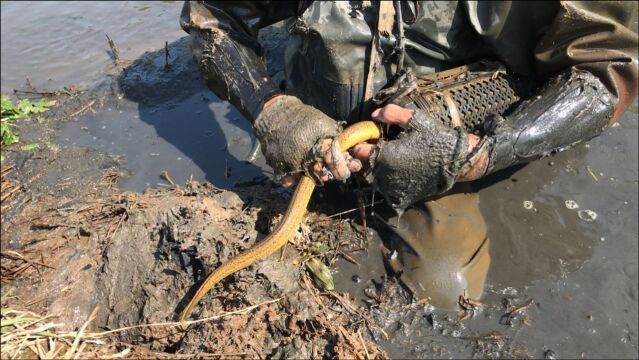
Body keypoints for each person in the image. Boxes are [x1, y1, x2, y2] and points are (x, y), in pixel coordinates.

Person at [179, 1, 638, 308]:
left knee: (444, 285)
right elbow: (209, 15)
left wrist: (476, 154)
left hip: (447, 131)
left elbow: (608, 66)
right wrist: (272, 110)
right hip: (315, 126)